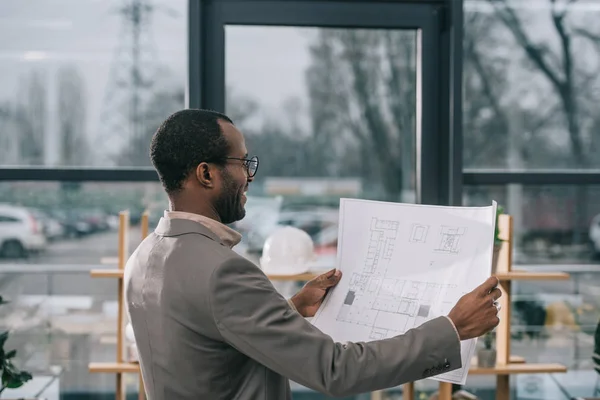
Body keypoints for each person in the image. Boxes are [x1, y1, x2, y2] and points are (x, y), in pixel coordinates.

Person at [124, 109, 502, 400]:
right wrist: (452, 330)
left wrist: (291, 307)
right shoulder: (223, 273)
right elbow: (335, 370)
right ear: (206, 174)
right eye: (243, 163)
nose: (249, 177)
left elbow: (209, 347)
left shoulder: (143, 257)